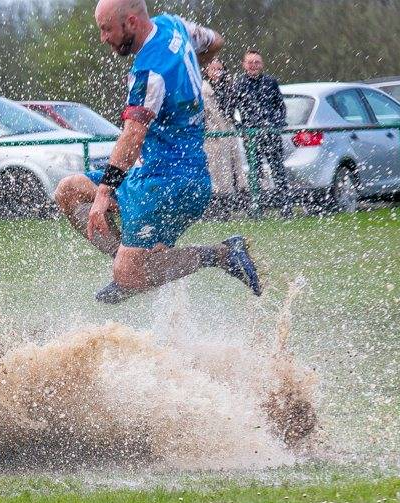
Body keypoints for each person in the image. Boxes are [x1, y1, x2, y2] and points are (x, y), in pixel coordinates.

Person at [55, 0, 262, 303]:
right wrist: (188, 72)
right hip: (148, 174)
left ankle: (220, 254)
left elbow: (132, 135)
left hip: (173, 183)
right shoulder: (173, 25)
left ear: (131, 22)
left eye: (107, 29)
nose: (103, 38)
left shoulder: (149, 71)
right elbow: (215, 41)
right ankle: (133, 263)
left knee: (128, 275)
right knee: (68, 191)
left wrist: (103, 194)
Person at [227, 50, 292, 216]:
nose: (253, 66)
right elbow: (230, 111)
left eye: (256, 62)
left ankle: (285, 206)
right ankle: (257, 206)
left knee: (278, 169)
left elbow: (280, 107)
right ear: (244, 65)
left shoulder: (270, 82)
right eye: (250, 62)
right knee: (254, 171)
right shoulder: (238, 84)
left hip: (271, 134)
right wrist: (241, 129)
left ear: (262, 65)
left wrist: (276, 124)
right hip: (251, 136)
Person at [202, 58, 248, 217]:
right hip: (213, 135)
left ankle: (229, 204)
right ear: (207, 71)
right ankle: (216, 206)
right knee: (216, 171)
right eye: (213, 69)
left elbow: (231, 111)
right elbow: (203, 114)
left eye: (219, 69)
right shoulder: (203, 89)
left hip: (228, 133)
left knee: (233, 170)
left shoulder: (228, 88)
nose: (217, 72)